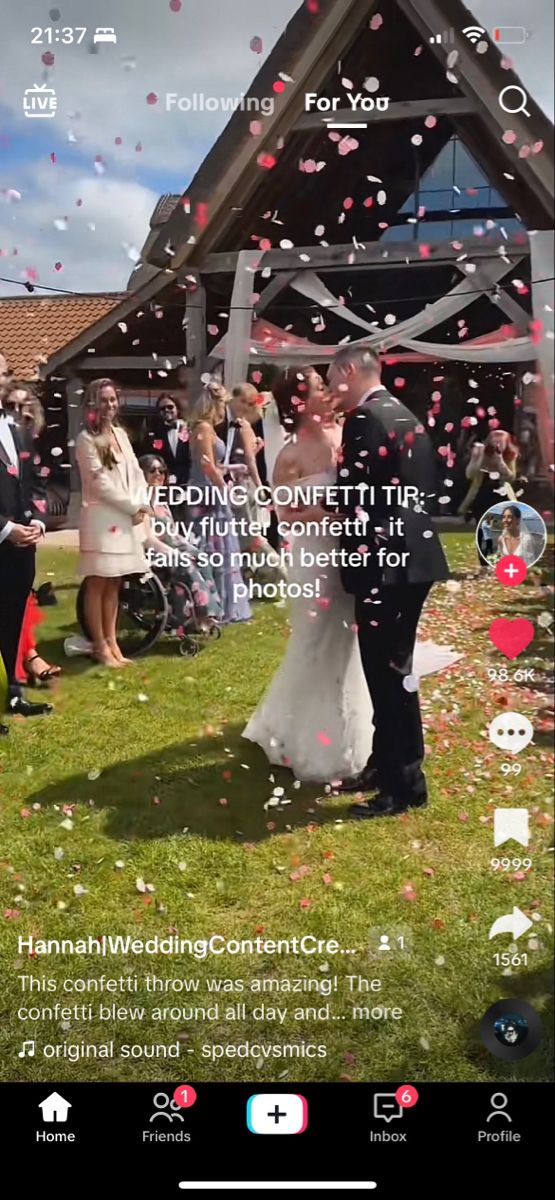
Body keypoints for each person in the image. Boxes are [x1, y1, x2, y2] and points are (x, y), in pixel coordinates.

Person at [243, 363, 457, 796]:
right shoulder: (292, 454)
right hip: (324, 558)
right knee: (325, 646)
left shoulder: (356, 428)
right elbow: (286, 516)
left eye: (329, 381)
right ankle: (332, 745)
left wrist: (330, 508)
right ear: (301, 401)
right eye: (321, 386)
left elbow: (367, 492)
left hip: (366, 556)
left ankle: (389, 764)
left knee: (371, 661)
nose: (330, 391)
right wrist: (326, 511)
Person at [76, 378, 150, 667]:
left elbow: (136, 472)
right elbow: (100, 483)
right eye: (103, 400)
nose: (109, 405)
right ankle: (99, 645)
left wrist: (142, 501)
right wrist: (132, 505)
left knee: (115, 582)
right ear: (93, 404)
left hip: (126, 518)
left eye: (112, 400)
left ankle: (113, 642)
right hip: (102, 519)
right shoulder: (86, 439)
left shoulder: (120, 434)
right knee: (99, 581)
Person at [0, 377, 53, 732]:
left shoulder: (19, 430)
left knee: (12, 622)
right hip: (3, 537)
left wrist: (37, 521)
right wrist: (5, 529)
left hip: (22, 550)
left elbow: (35, 484)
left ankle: (14, 694)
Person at [188, 382, 251, 623]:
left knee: (222, 548)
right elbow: (207, 465)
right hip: (206, 493)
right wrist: (225, 489)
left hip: (211, 490)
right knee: (212, 547)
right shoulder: (203, 428)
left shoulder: (209, 429)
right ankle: (214, 604)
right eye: (222, 405)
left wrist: (234, 468)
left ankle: (226, 603)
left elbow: (215, 464)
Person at [138, 454, 223, 627]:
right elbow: (147, 539)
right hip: (154, 551)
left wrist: (190, 548)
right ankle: (197, 616)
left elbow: (173, 533)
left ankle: (213, 613)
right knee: (186, 565)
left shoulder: (161, 501)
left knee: (202, 558)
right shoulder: (141, 503)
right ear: (141, 474)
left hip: (173, 547)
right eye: (152, 470)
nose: (158, 474)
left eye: (161, 471)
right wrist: (174, 553)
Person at [217, 383, 284, 587]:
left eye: (250, 403)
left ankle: (277, 572)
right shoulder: (222, 419)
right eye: (244, 401)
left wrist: (259, 485)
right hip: (230, 483)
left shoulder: (242, 424)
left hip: (242, 486)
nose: (246, 407)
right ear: (234, 398)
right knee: (240, 535)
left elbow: (249, 461)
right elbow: (242, 456)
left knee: (249, 534)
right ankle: (250, 578)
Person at [144, 393, 190, 490]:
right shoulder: (155, 434)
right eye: (162, 408)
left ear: (177, 409)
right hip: (166, 485)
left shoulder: (189, 429)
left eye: (170, 407)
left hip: (190, 483)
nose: (166, 410)